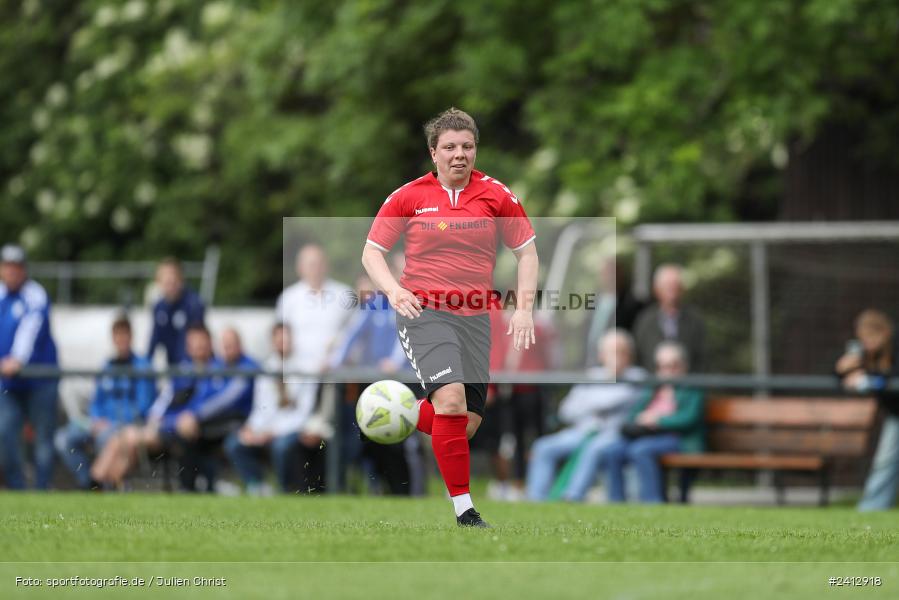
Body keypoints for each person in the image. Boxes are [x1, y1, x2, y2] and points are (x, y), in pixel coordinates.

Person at [361, 107, 538, 527]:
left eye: (467, 146)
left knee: (466, 424)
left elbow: (527, 252)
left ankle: (388, 412)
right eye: (450, 147)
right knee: (452, 402)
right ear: (433, 153)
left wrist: (525, 308)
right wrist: (395, 290)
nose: (460, 154)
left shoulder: (497, 195)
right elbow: (372, 252)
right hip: (424, 312)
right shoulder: (408, 197)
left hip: (475, 317)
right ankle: (466, 512)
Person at [526, 330, 646, 502]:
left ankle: (572, 497)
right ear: (602, 355)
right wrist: (593, 404)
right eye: (610, 352)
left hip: (613, 434)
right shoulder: (592, 375)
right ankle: (536, 499)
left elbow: (614, 400)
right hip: (582, 431)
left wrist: (589, 402)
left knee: (594, 449)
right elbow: (566, 410)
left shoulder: (638, 376)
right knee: (543, 447)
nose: (615, 357)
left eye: (620, 352)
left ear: (629, 355)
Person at [54, 316, 155, 489]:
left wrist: (112, 422)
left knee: (106, 438)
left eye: (125, 335)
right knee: (62, 439)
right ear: (113, 338)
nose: (121, 340)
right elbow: (96, 401)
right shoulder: (107, 366)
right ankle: (90, 485)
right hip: (99, 423)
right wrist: (96, 419)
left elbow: (143, 406)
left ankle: (103, 485)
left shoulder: (142, 366)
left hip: (122, 425)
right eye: (118, 335)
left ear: (131, 337)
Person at [225, 323, 324, 494]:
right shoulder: (267, 369)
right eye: (277, 339)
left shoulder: (306, 368)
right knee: (234, 444)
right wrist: (251, 428)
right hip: (267, 429)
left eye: (285, 338)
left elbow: (303, 413)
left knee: (281, 447)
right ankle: (257, 485)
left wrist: (272, 432)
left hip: (294, 428)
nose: (281, 343)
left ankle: (283, 490)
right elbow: (261, 407)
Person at [601, 341, 704, 503]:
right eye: (662, 366)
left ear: (683, 366)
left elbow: (689, 418)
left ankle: (652, 501)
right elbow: (634, 412)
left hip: (677, 438)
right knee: (612, 451)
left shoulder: (691, 388)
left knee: (641, 450)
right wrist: (641, 418)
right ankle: (616, 503)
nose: (667, 371)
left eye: (673, 365)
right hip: (645, 434)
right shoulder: (653, 387)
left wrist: (659, 420)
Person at [0, 244, 59, 490]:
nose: (11, 272)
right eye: (7, 267)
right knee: (5, 435)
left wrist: (17, 359)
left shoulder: (35, 294)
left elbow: (30, 330)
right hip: (10, 383)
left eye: (16, 267)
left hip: (39, 381)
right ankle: (17, 490)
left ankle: (41, 491)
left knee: (43, 441)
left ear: (24, 270)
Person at [835, 309, 899, 511]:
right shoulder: (868, 354)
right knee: (885, 461)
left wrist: (870, 381)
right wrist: (843, 369)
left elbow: (891, 380)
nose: (867, 342)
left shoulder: (895, 348)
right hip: (895, 416)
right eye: (863, 339)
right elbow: (842, 376)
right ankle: (872, 507)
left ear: (884, 333)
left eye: (871, 337)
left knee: (886, 460)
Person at [633, 264, 705, 371]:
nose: (672, 292)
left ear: (682, 289)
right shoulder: (645, 320)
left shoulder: (695, 320)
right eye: (668, 286)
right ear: (656, 289)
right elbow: (638, 355)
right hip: (652, 384)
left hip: (687, 385)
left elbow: (702, 358)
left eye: (676, 286)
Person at [146, 258, 205, 365]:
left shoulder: (193, 304)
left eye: (173, 278)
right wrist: (146, 364)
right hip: (173, 368)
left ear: (180, 279)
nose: (170, 283)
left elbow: (199, 342)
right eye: (165, 280)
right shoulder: (159, 307)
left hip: (193, 367)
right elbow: (155, 340)